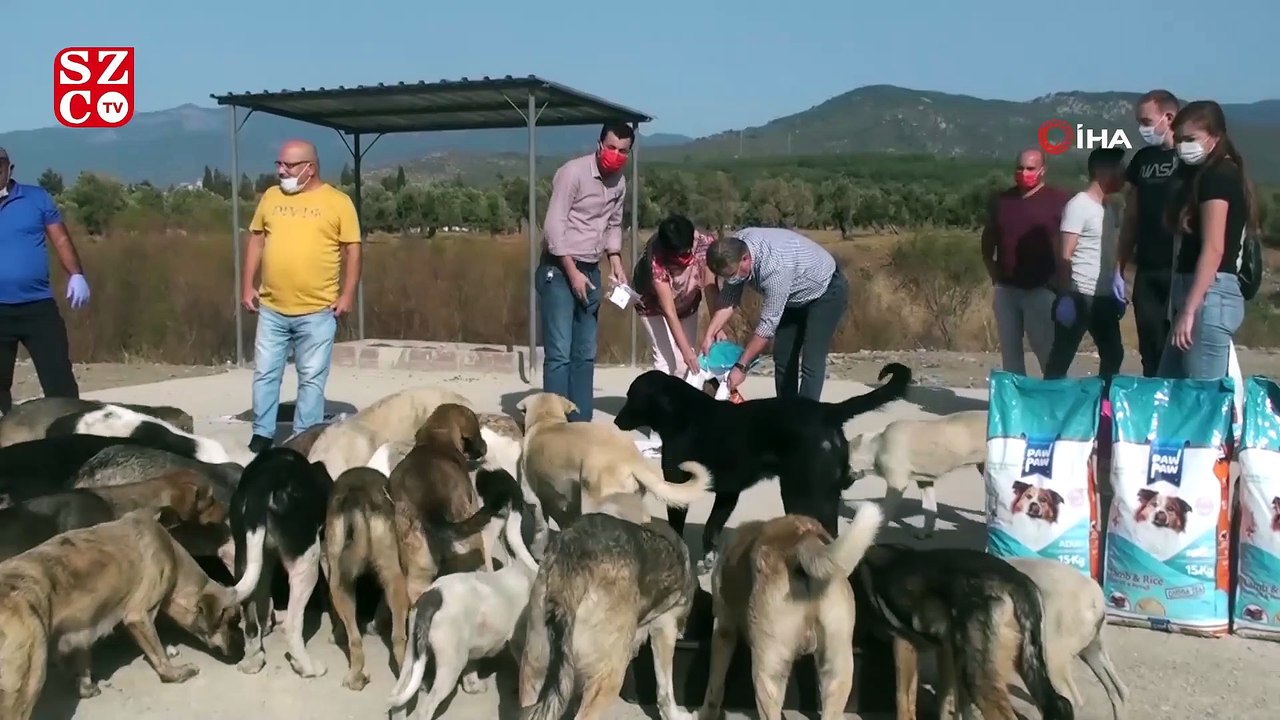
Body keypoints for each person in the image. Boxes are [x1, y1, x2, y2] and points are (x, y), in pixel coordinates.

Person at [241, 140, 361, 452]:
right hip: (272, 308)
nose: (281, 171)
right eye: (279, 164)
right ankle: (262, 434)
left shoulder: (338, 202)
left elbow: (353, 249)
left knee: (311, 379)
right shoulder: (270, 197)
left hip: (318, 311)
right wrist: (247, 285)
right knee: (266, 373)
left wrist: (347, 294)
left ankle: (303, 438)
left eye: (289, 165)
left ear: (310, 168)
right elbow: (256, 240)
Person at [538, 123, 634, 422]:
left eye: (623, 151)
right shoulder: (573, 173)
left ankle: (580, 421)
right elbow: (554, 226)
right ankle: (552, 422)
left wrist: (615, 261)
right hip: (559, 268)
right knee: (559, 353)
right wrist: (571, 271)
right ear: (599, 143)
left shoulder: (619, 182)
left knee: (585, 352)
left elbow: (613, 223)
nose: (615, 155)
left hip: (591, 269)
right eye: (611, 147)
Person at [1158, 100, 1256, 380]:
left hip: (1209, 296)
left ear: (1215, 137)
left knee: (1202, 399)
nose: (1182, 146)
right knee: (1171, 387)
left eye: (1191, 139)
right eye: (1178, 139)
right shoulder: (1204, 176)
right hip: (1199, 293)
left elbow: (1214, 248)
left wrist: (1189, 310)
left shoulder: (1219, 177)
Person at [703, 227, 848, 401]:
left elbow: (766, 327)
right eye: (726, 277)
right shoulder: (734, 248)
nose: (731, 280)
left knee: (811, 359)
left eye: (733, 274)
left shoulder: (775, 268)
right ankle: (785, 412)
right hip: (793, 297)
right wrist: (710, 333)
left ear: (745, 258)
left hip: (825, 292)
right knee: (783, 356)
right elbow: (729, 297)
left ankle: (806, 418)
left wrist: (741, 367)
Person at [0, 146, 89, 414]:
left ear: (9, 169)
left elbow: (60, 239)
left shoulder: (36, 199)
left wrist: (77, 275)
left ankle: (73, 440)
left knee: (59, 379)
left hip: (38, 307)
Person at [980, 149, 1072, 376]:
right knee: (1010, 355)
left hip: (1040, 289)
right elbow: (989, 236)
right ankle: (1017, 405)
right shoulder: (1002, 201)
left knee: (1047, 353)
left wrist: (1065, 288)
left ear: (1043, 170)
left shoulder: (1059, 200)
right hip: (1007, 290)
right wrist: (991, 266)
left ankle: (1056, 403)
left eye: (1030, 168)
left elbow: (1069, 243)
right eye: (1020, 168)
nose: (1024, 173)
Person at [1043, 148, 1128, 380]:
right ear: (1103, 171)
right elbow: (1065, 254)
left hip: (1103, 296)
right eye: (1120, 169)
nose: (1124, 174)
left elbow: (1109, 251)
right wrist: (1065, 297)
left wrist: (1116, 282)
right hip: (1079, 294)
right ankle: (1049, 406)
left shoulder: (1109, 208)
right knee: (1062, 355)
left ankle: (1104, 404)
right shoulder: (1079, 205)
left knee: (1114, 354)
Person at [1118, 90, 1182, 377]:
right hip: (1148, 268)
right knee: (1150, 345)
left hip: (1182, 268)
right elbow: (1131, 215)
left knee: (1181, 347)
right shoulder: (1143, 160)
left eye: (1146, 120)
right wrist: (1119, 266)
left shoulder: (1190, 159)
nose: (1142, 128)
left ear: (1168, 117)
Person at [631, 214, 716, 377]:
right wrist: (685, 351)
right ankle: (662, 400)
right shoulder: (656, 260)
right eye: (679, 253)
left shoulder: (704, 245)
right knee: (666, 361)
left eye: (687, 250)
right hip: (651, 302)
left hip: (687, 300)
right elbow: (668, 310)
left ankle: (681, 399)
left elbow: (710, 286)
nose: (685, 255)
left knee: (686, 361)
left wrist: (716, 326)